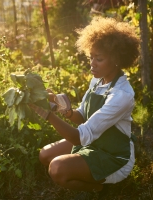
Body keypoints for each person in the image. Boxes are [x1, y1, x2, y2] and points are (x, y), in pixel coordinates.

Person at [30, 16, 140, 198]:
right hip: (94, 141)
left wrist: (48, 115)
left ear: (116, 60)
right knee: (44, 155)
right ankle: (86, 170)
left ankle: (97, 188)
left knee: (57, 169)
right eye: (91, 57)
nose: (92, 63)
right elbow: (81, 115)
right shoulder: (97, 81)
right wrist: (63, 109)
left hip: (113, 154)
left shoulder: (122, 95)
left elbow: (80, 137)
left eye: (99, 58)